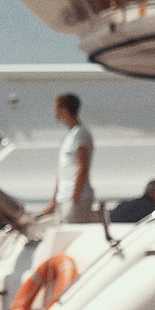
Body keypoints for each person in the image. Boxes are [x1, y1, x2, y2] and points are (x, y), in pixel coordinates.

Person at [43, 92, 96, 223]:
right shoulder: (72, 135)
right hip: (64, 197)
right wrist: (54, 200)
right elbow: (62, 171)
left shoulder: (80, 134)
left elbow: (82, 167)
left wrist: (74, 198)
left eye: (56, 109)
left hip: (76, 198)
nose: (55, 113)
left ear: (64, 110)